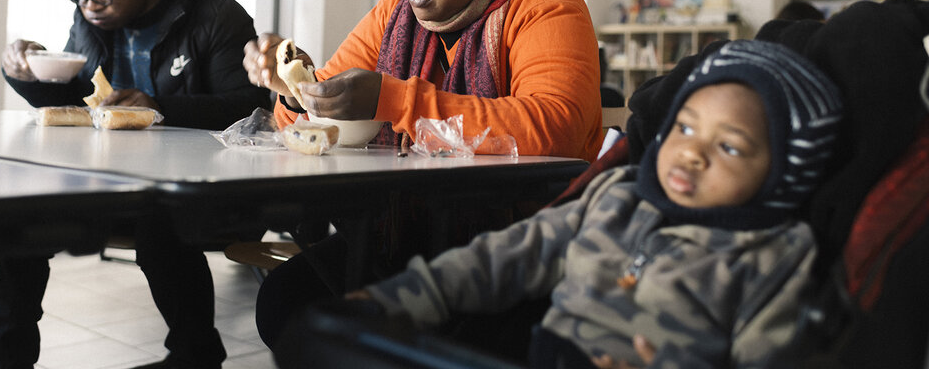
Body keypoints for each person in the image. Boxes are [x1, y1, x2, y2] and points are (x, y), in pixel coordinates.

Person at [244, 0, 604, 346]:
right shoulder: (394, 13)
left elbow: (554, 130)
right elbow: (317, 117)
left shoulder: (546, 5)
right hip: (402, 230)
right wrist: (292, 89)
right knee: (285, 305)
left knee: (447, 338)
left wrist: (394, 100)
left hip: (525, 243)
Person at [340, 39, 844, 368]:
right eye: (686, 128)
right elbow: (504, 257)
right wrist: (396, 300)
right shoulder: (615, 195)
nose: (691, 153)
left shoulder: (772, 255)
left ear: (783, 173)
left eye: (729, 146)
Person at [0, 0, 272, 369]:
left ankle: (195, 354)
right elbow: (75, 103)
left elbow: (250, 108)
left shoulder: (216, 17)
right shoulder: (91, 21)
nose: (89, 7)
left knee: (160, 225)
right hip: (109, 177)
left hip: (197, 183)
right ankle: (8, 357)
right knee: (27, 210)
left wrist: (157, 107)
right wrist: (26, 75)